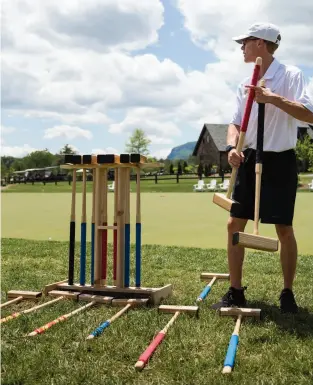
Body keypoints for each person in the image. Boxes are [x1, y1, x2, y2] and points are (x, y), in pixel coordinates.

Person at [212, 22, 313, 313]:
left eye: (244, 42)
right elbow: (234, 122)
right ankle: (235, 290)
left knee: (284, 227)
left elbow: (308, 114)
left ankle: (288, 293)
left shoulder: (291, 75)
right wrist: (232, 148)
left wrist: (271, 98)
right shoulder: (244, 82)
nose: (241, 47)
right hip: (247, 157)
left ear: (260, 43)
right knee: (234, 224)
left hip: (280, 159)